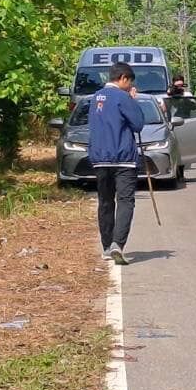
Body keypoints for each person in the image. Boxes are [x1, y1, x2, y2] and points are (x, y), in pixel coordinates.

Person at [88, 62, 147, 266]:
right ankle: (117, 244)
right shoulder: (123, 97)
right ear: (123, 78)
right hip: (123, 158)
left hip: (100, 157)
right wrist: (133, 100)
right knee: (125, 201)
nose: (129, 85)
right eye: (129, 81)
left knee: (105, 201)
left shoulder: (95, 97)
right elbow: (138, 124)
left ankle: (106, 246)